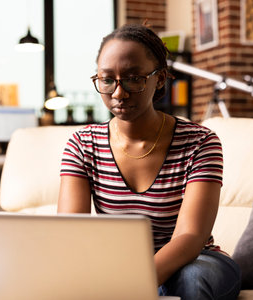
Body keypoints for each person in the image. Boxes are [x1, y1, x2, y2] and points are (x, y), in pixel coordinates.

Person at [57, 23, 241, 300]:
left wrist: (133, 283)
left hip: (196, 262)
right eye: (107, 80)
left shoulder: (201, 142)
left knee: (190, 279)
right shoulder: (83, 144)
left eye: (133, 78)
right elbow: (71, 233)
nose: (118, 93)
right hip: (119, 267)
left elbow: (190, 237)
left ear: (160, 79)